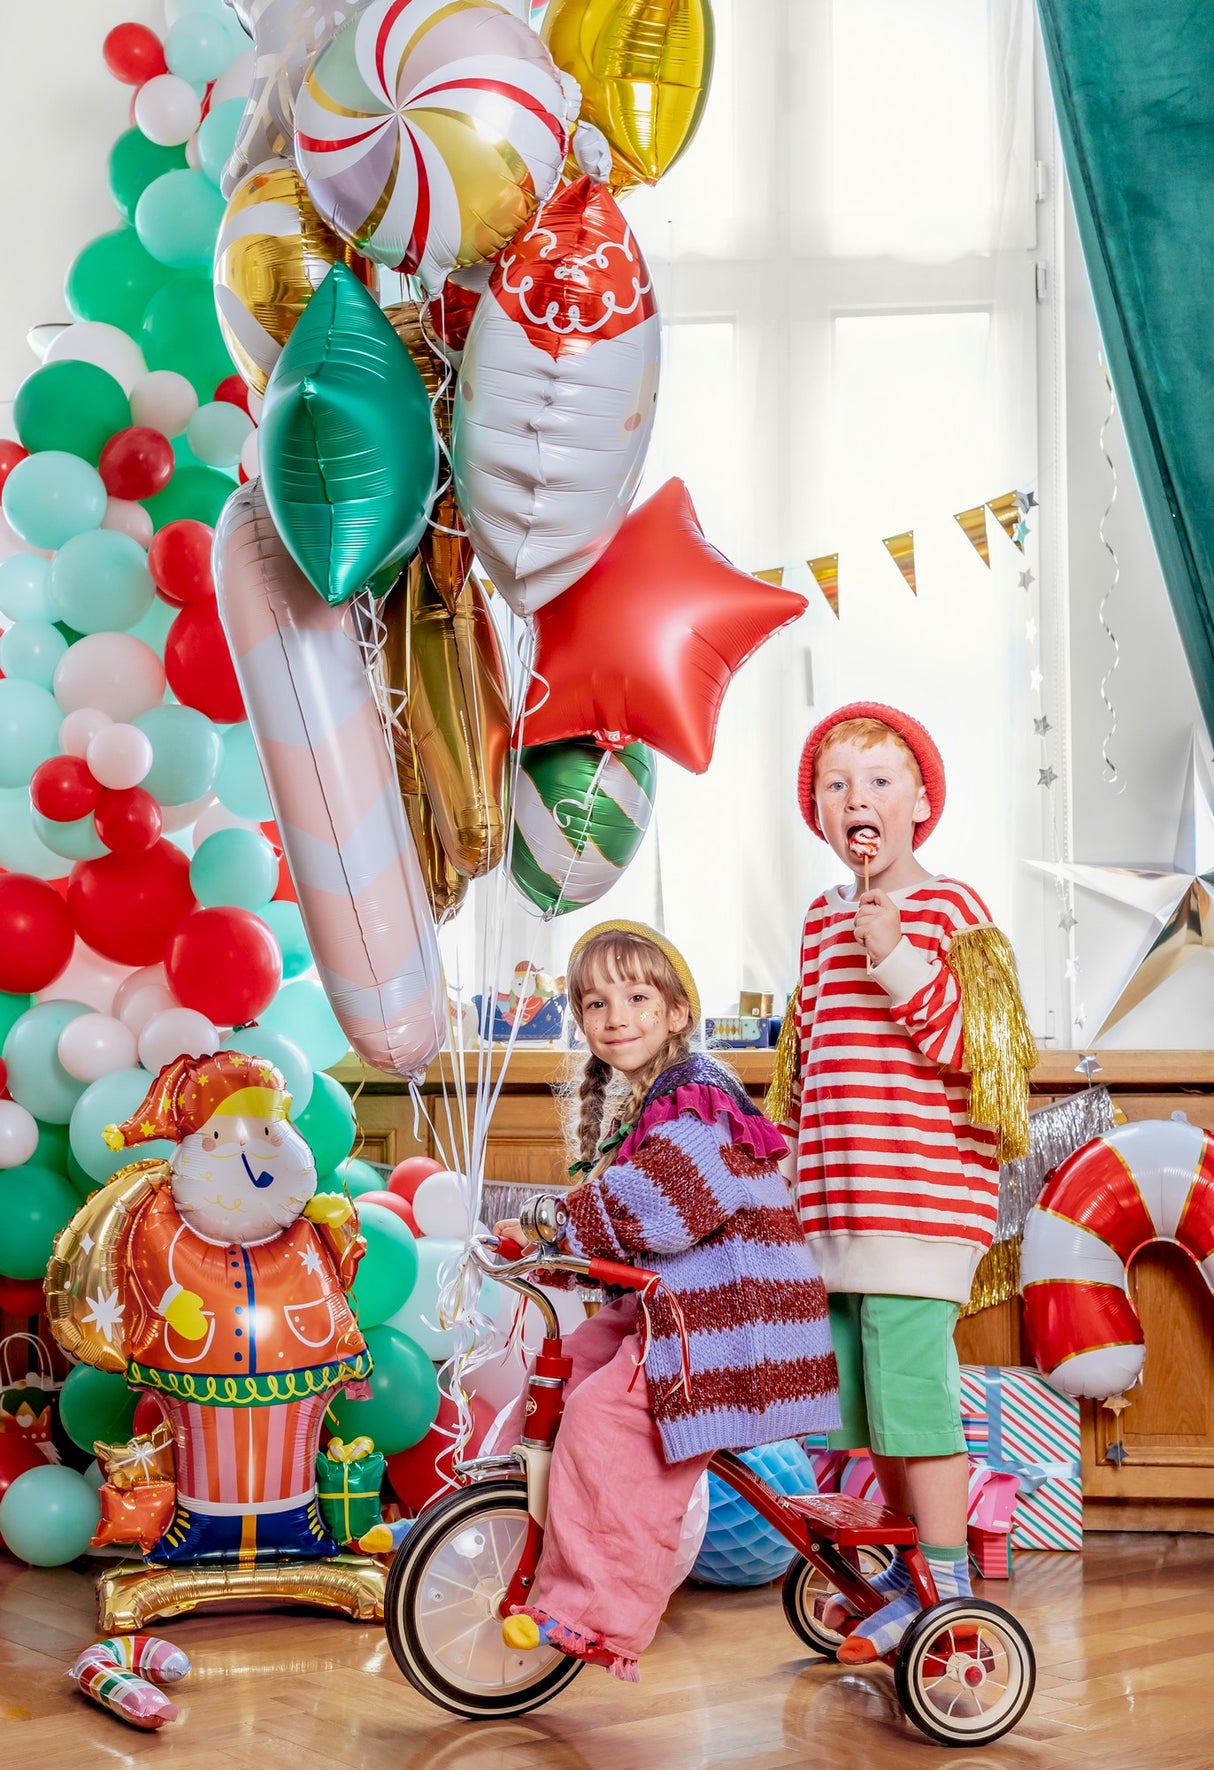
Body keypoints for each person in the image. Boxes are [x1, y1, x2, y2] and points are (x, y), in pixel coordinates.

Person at [494, 918, 839, 1682]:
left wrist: (551, 1220)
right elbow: (631, 1226)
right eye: (593, 1003)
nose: (614, 1016)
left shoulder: (698, 1099)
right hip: (684, 1305)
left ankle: (598, 1612)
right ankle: (520, 1527)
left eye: (637, 996)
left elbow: (661, 1207)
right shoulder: (644, 1105)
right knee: (572, 1366)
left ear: (678, 1012)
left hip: (735, 1326)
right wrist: (553, 1251)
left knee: (606, 1415)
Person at [767, 702, 1035, 1663]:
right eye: (836, 785)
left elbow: (982, 1060)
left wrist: (896, 954)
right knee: (870, 1405)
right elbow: (807, 1068)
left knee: (916, 1399)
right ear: (821, 815)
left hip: (921, 1207)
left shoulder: (950, 910)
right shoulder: (815, 920)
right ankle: (906, 1567)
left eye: (879, 779)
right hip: (837, 1212)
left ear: (920, 803)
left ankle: (948, 1583)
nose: (857, 798)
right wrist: (784, 1170)